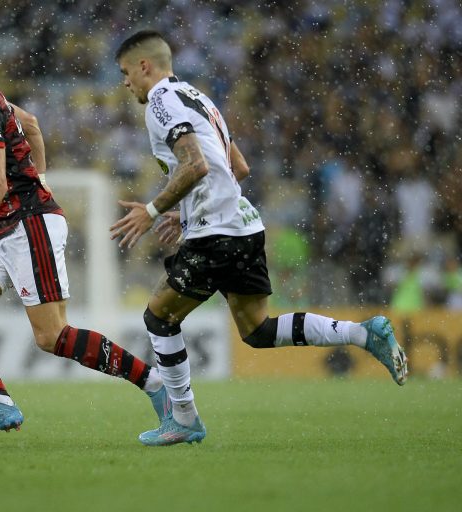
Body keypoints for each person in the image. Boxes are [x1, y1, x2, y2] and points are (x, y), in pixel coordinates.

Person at [110, 30, 408, 447]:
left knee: (159, 317)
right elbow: (240, 168)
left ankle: (184, 417)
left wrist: (154, 210)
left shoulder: (161, 101)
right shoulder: (199, 97)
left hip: (218, 232)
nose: (125, 83)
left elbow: (194, 165)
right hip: (244, 225)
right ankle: (364, 333)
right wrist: (189, 210)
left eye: (126, 72)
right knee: (257, 330)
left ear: (145, 66)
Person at [0, 28, 169, 440]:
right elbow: (30, 124)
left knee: (52, 336)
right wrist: (40, 177)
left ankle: (155, 383)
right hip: (7, 226)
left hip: (29, 223)